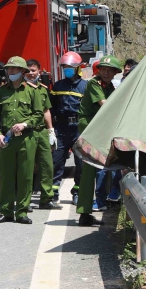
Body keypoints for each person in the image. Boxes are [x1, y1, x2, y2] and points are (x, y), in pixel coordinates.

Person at [0, 57, 44, 224]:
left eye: (14, 69)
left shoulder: (32, 91)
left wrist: (25, 124)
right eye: (8, 69)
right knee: (6, 176)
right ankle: (5, 211)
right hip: (7, 141)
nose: (10, 72)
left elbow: (38, 114)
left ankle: (21, 212)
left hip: (26, 139)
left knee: (25, 176)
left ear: (22, 72)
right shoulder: (1, 92)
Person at [76, 55, 122, 226]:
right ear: (98, 70)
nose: (106, 72)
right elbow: (106, 105)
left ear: (115, 72)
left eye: (110, 70)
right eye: (103, 69)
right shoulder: (94, 84)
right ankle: (84, 212)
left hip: (101, 131)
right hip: (90, 130)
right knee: (89, 172)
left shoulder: (111, 88)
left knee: (103, 170)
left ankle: (97, 204)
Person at [50, 52, 88, 206]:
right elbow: (51, 108)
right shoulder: (58, 86)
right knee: (56, 162)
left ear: (78, 68)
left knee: (81, 164)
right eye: (65, 67)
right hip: (61, 128)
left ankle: (77, 192)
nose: (67, 69)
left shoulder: (86, 86)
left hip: (78, 128)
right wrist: (51, 129)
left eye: (70, 67)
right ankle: (53, 193)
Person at [25, 59, 61, 210]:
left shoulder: (42, 89)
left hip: (42, 131)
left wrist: (51, 130)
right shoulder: (20, 89)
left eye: (34, 70)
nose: (31, 73)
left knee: (47, 166)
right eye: (28, 70)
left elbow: (46, 111)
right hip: (27, 132)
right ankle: (24, 202)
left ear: (39, 71)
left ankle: (46, 199)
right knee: (26, 168)